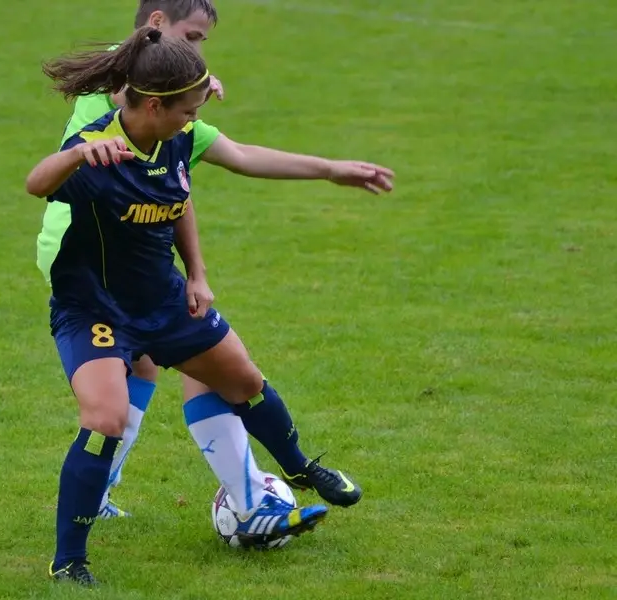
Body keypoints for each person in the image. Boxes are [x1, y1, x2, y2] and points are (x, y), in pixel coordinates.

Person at [35, 0, 395, 521]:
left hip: (139, 250)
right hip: (87, 256)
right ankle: (250, 505)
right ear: (156, 26)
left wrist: (328, 169)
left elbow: (210, 171)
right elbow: (67, 161)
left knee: (165, 366)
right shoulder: (118, 99)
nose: (199, 51)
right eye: (192, 39)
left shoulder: (164, 109)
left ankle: (115, 492)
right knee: (177, 370)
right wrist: (188, 89)